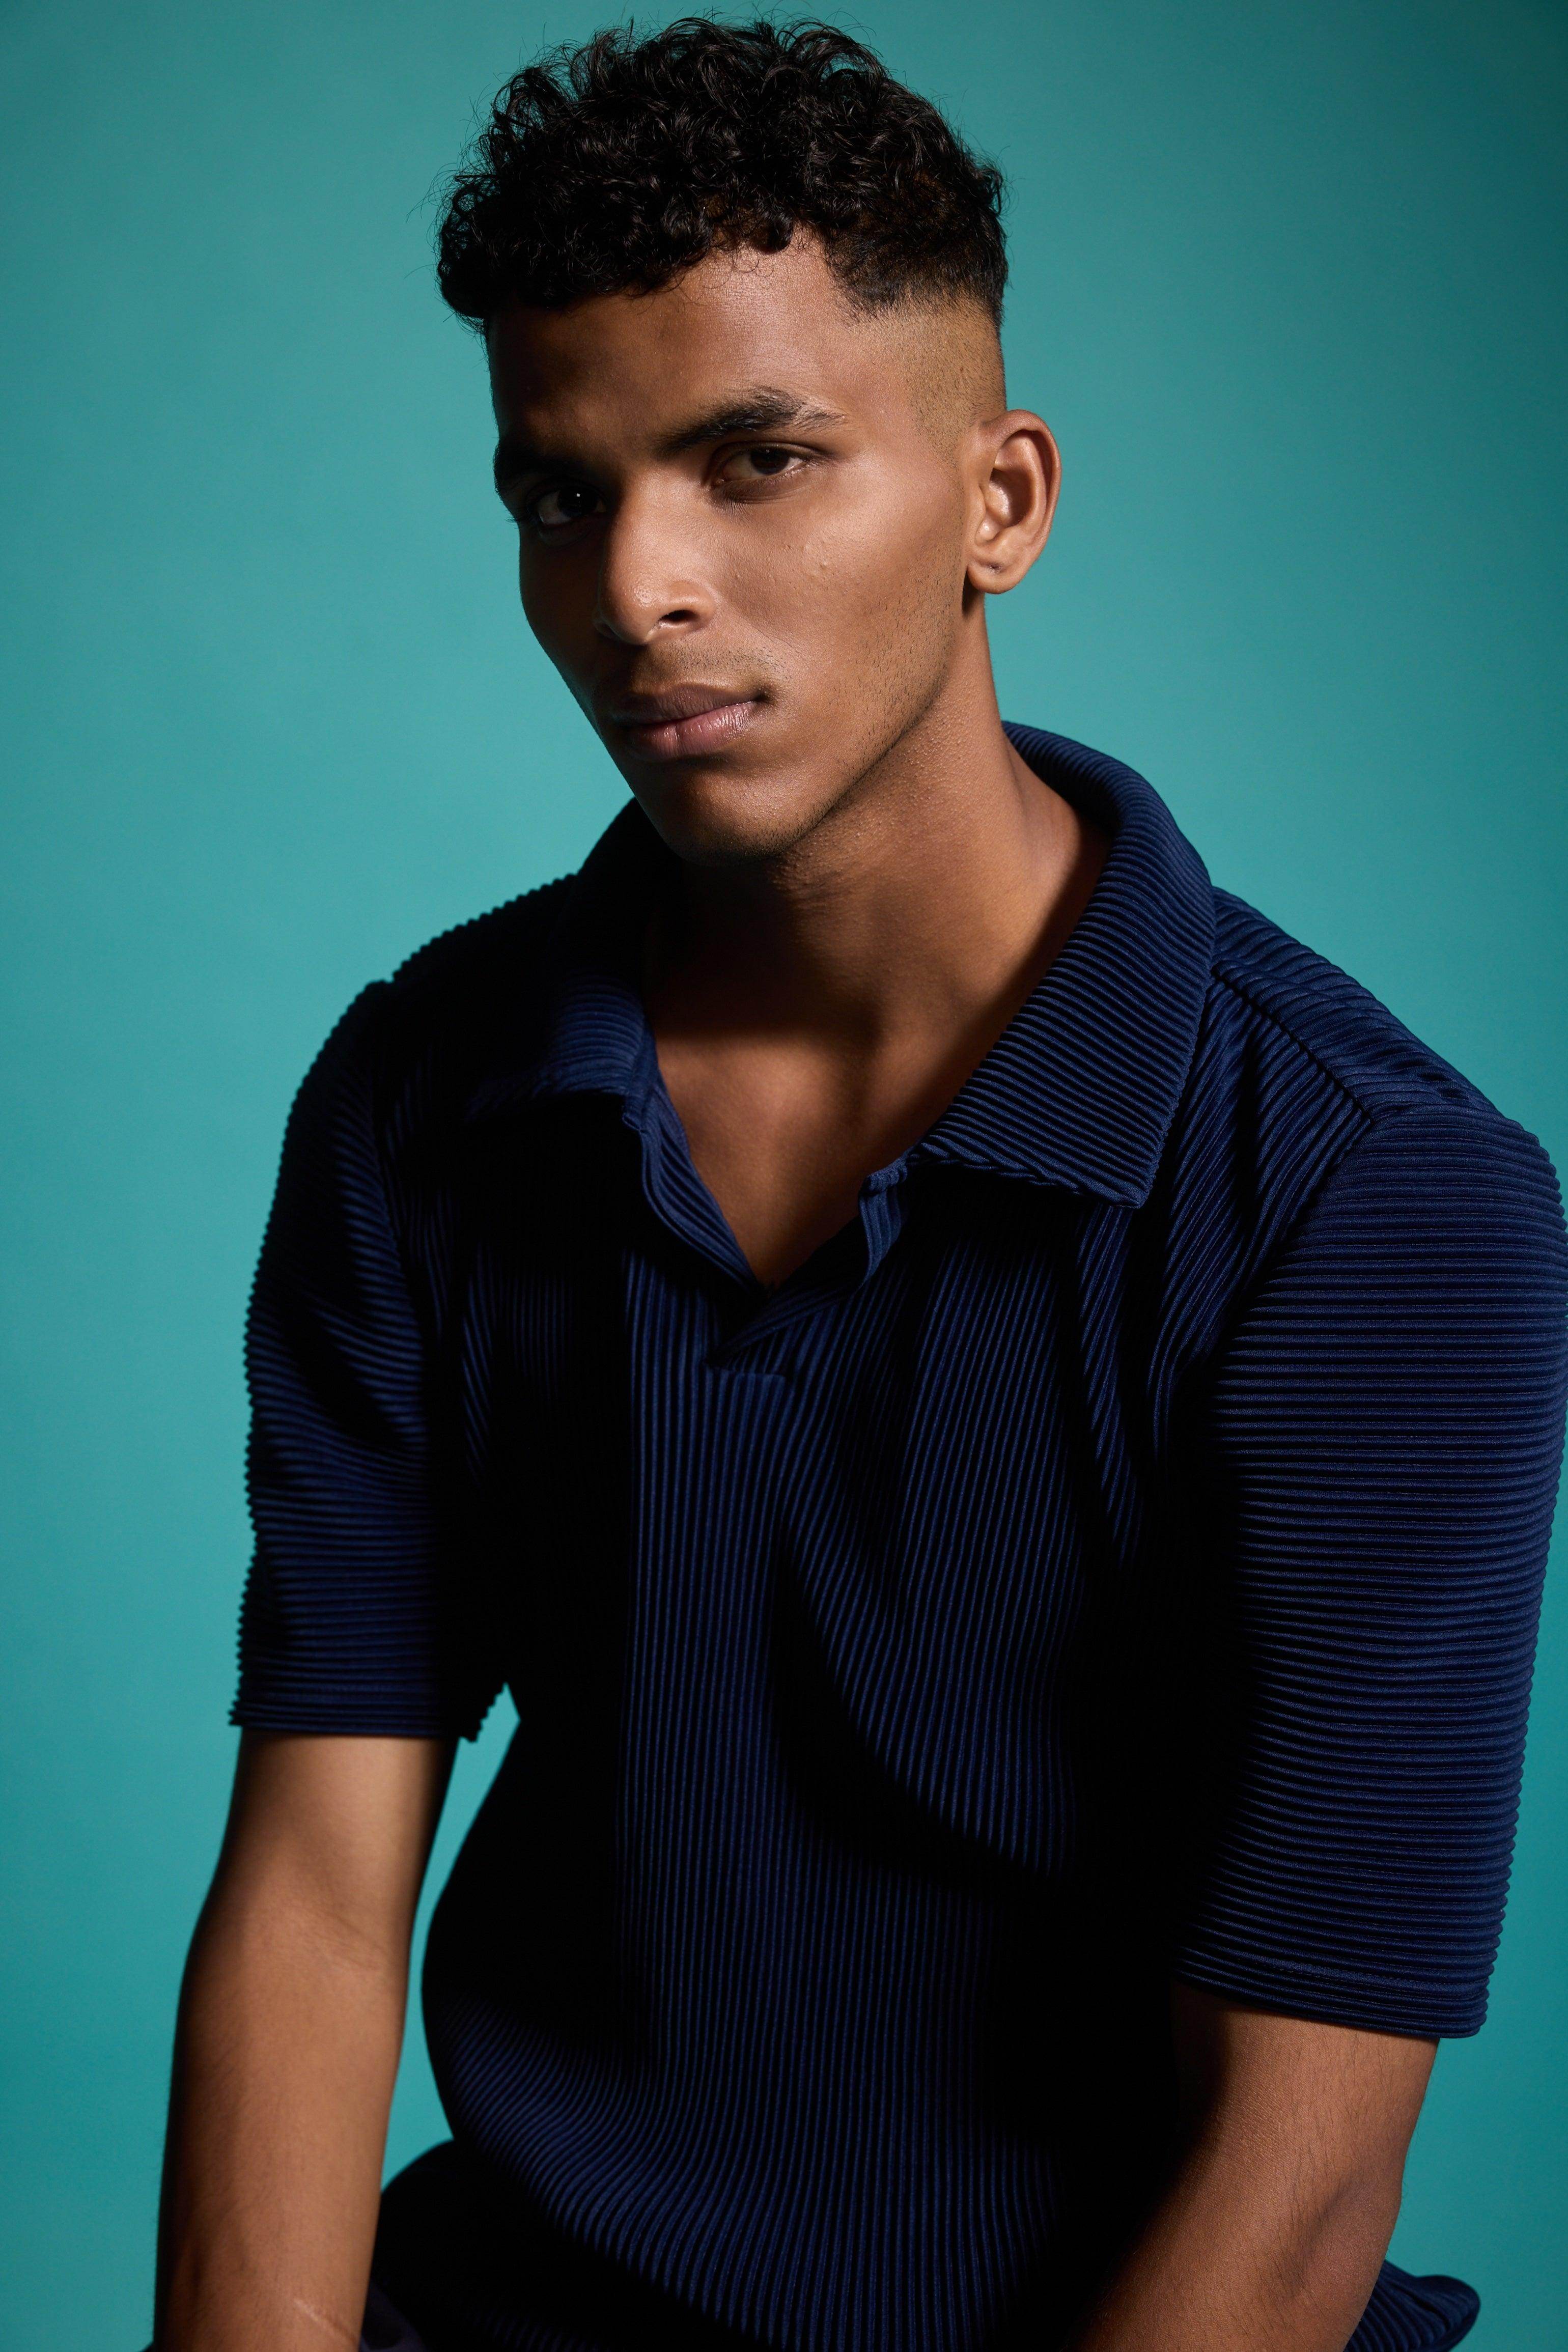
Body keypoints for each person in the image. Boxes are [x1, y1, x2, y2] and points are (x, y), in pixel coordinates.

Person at [150, 19, 1568, 2352]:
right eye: (557, 494)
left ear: (1000, 500)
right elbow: (314, 1902)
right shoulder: (425, 1094)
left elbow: (1295, 2171)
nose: (637, 585)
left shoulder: (1373, 1201)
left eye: (756, 461)